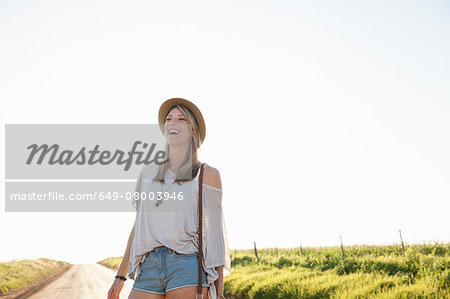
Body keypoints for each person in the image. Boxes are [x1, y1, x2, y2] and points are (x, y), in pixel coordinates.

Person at [107, 98, 231, 299]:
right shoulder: (147, 172)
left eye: (181, 119)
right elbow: (138, 226)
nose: (172, 123)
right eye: (169, 119)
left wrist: (218, 291)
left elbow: (216, 238)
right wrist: (120, 276)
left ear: (193, 131)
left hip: (187, 266)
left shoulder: (207, 174)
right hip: (148, 267)